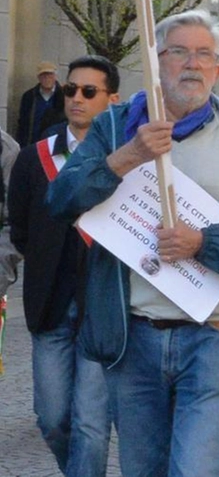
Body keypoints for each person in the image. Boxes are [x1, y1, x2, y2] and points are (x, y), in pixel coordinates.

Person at [47, 9, 219, 477]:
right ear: (155, 61)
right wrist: (127, 157)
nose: (193, 64)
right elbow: (62, 199)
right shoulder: (115, 128)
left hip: (216, 339)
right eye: (180, 52)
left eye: (205, 54)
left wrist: (204, 242)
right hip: (136, 336)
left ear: (218, 70)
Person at [8, 55, 119, 477]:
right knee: (53, 420)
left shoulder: (127, 158)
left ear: (112, 99)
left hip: (102, 310)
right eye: (71, 89)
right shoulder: (34, 158)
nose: (76, 98)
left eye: (89, 92)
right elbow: (19, 228)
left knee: (91, 425)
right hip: (50, 304)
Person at [16, 61, 65, 143]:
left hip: (55, 143)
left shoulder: (64, 95)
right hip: (33, 143)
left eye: (50, 75)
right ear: (38, 77)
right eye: (43, 76)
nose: (47, 78)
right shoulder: (29, 96)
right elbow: (22, 123)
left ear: (55, 76)